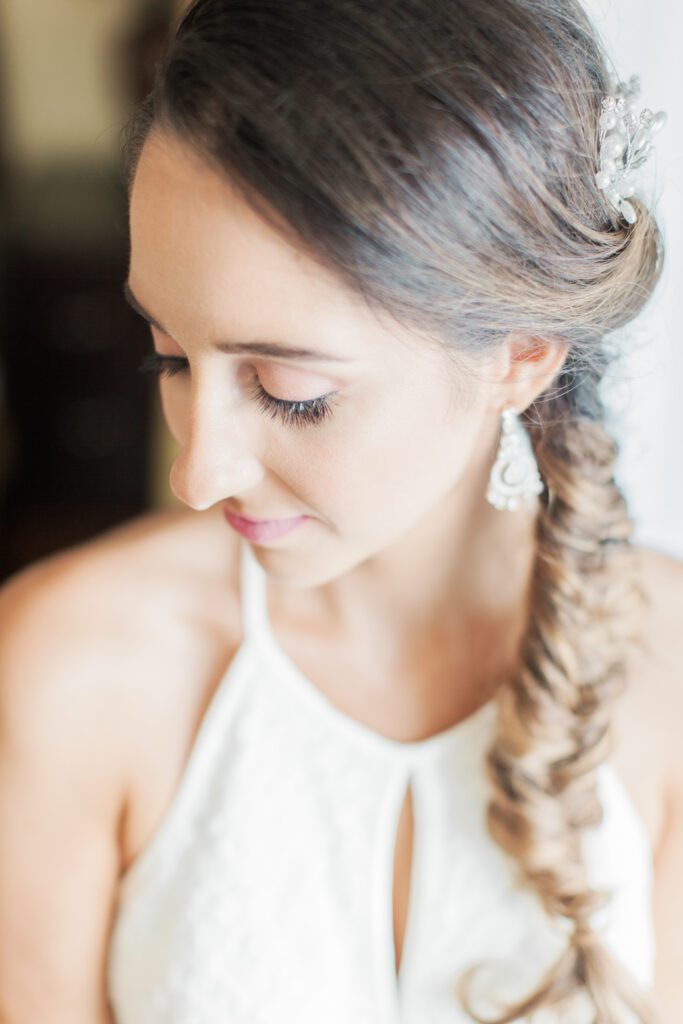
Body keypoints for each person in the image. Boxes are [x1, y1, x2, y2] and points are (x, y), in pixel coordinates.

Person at [0, 1, 681, 1022]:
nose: (200, 471)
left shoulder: (666, 677)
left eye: (288, 389)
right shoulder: (71, 665)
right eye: (168, 356)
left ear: (517, 357)